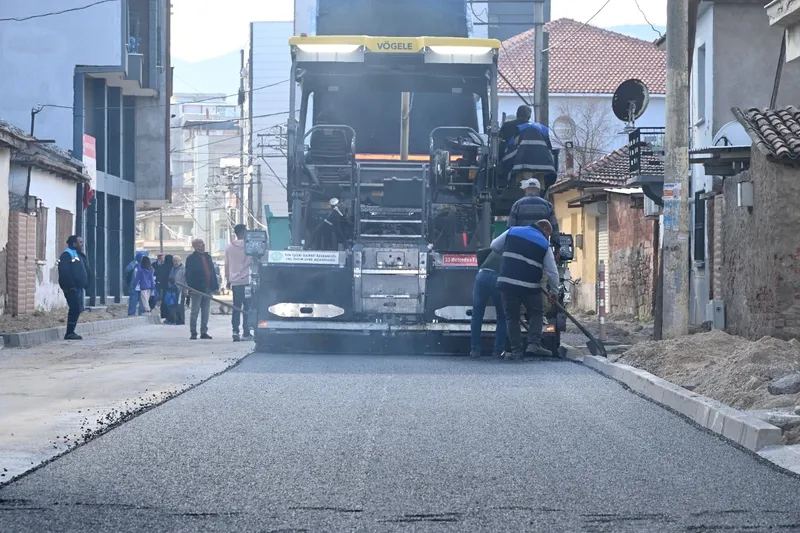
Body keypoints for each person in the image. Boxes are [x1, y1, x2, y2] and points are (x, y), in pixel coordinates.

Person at [493, 219, 560, 361]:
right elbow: (552, 271)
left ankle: (516, 352)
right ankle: (533, 344)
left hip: (507, 283)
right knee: (536, 312)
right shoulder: (544, 243)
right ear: (546, 230)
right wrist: (554, 291)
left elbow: (494, 246)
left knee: (512, 317)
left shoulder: (512, 231)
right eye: (548, 234)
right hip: (529, 286)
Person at [500, 104, 555, 188]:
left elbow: (504, 147)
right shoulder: (539, 128)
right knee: (539, 188)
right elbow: (549, 148)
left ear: (517, 114)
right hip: (543, 167)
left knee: (522, 187)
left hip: (520, 166)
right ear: (529, 117)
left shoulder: (509, 127)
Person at [469, 246, 507, 359]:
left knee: (477, 315)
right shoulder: (512, 252)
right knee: (502, 316)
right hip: (497, 278)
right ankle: (498, 351)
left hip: (482, 275)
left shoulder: (496, 248)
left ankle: (475, 350)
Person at [507, 177, 560, 247]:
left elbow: (510, 228)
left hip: (522, 247)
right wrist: (556, 248)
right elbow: (554, 228)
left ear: (525, 190)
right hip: (541, 247)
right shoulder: (548, 205)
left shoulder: (517, 205)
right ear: (539, 190)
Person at [58, 235, 92, 340]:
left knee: (77, 309)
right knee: (75, 309)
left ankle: (71, 331)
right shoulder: (67, 255)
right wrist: (70, 286)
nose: (82, 244)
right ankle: (69, 333)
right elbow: (65, 272)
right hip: (71, 288)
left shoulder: (79, 254)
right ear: (74, 244)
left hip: (79, 288)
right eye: (80, 242)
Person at [225, 224, 254, 342]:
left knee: (236, 307)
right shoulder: (250, 246)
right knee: (247, 307)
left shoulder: (229, 247)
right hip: (247, 281)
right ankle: (246, 333)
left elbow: (227, 265)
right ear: (243, 233)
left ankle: (235, 331)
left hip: (235, 282)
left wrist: (228, 280)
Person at [185, 238, 218, 340]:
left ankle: (204, 332)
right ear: (194, 246)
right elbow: (188, 275)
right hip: (196, 289)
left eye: (203, 244)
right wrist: (191, 288)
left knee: (205, 311)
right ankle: (193, 332)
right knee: (195, 311)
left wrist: (215, 287)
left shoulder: (208, 257)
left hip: (207, 288)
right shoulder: (191, 258)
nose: (202, 247)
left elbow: (212, 273)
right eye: (199, 245)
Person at [165, 255, 186, 325]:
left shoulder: (183, 269)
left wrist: (185, 290)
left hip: (180, 289)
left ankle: (180, 320)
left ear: (180, 261)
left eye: (177, 261)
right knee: (172, 306)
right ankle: (173, 319)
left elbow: (185, 280)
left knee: (179, 306)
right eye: (174, 261)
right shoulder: (173, 268)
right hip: (172, 290)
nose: (176, 262)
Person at [125, 251, 146, 316]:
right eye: (141, 257)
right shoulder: (134, 263)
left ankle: (141, 312)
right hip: (134, 285)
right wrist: (134, 264)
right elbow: (127, 269)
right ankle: (131, 313)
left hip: (143, 285)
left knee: (142, 300)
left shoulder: (145, 264)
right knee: (133, 299)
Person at [157, 254, 173, 321]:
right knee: (172, 301)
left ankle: (165, 315)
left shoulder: (163, 267)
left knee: (165, 301)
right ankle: (171, 316)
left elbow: (160, 276)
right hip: (172, 287)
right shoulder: (173, 267)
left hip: (164, 287)